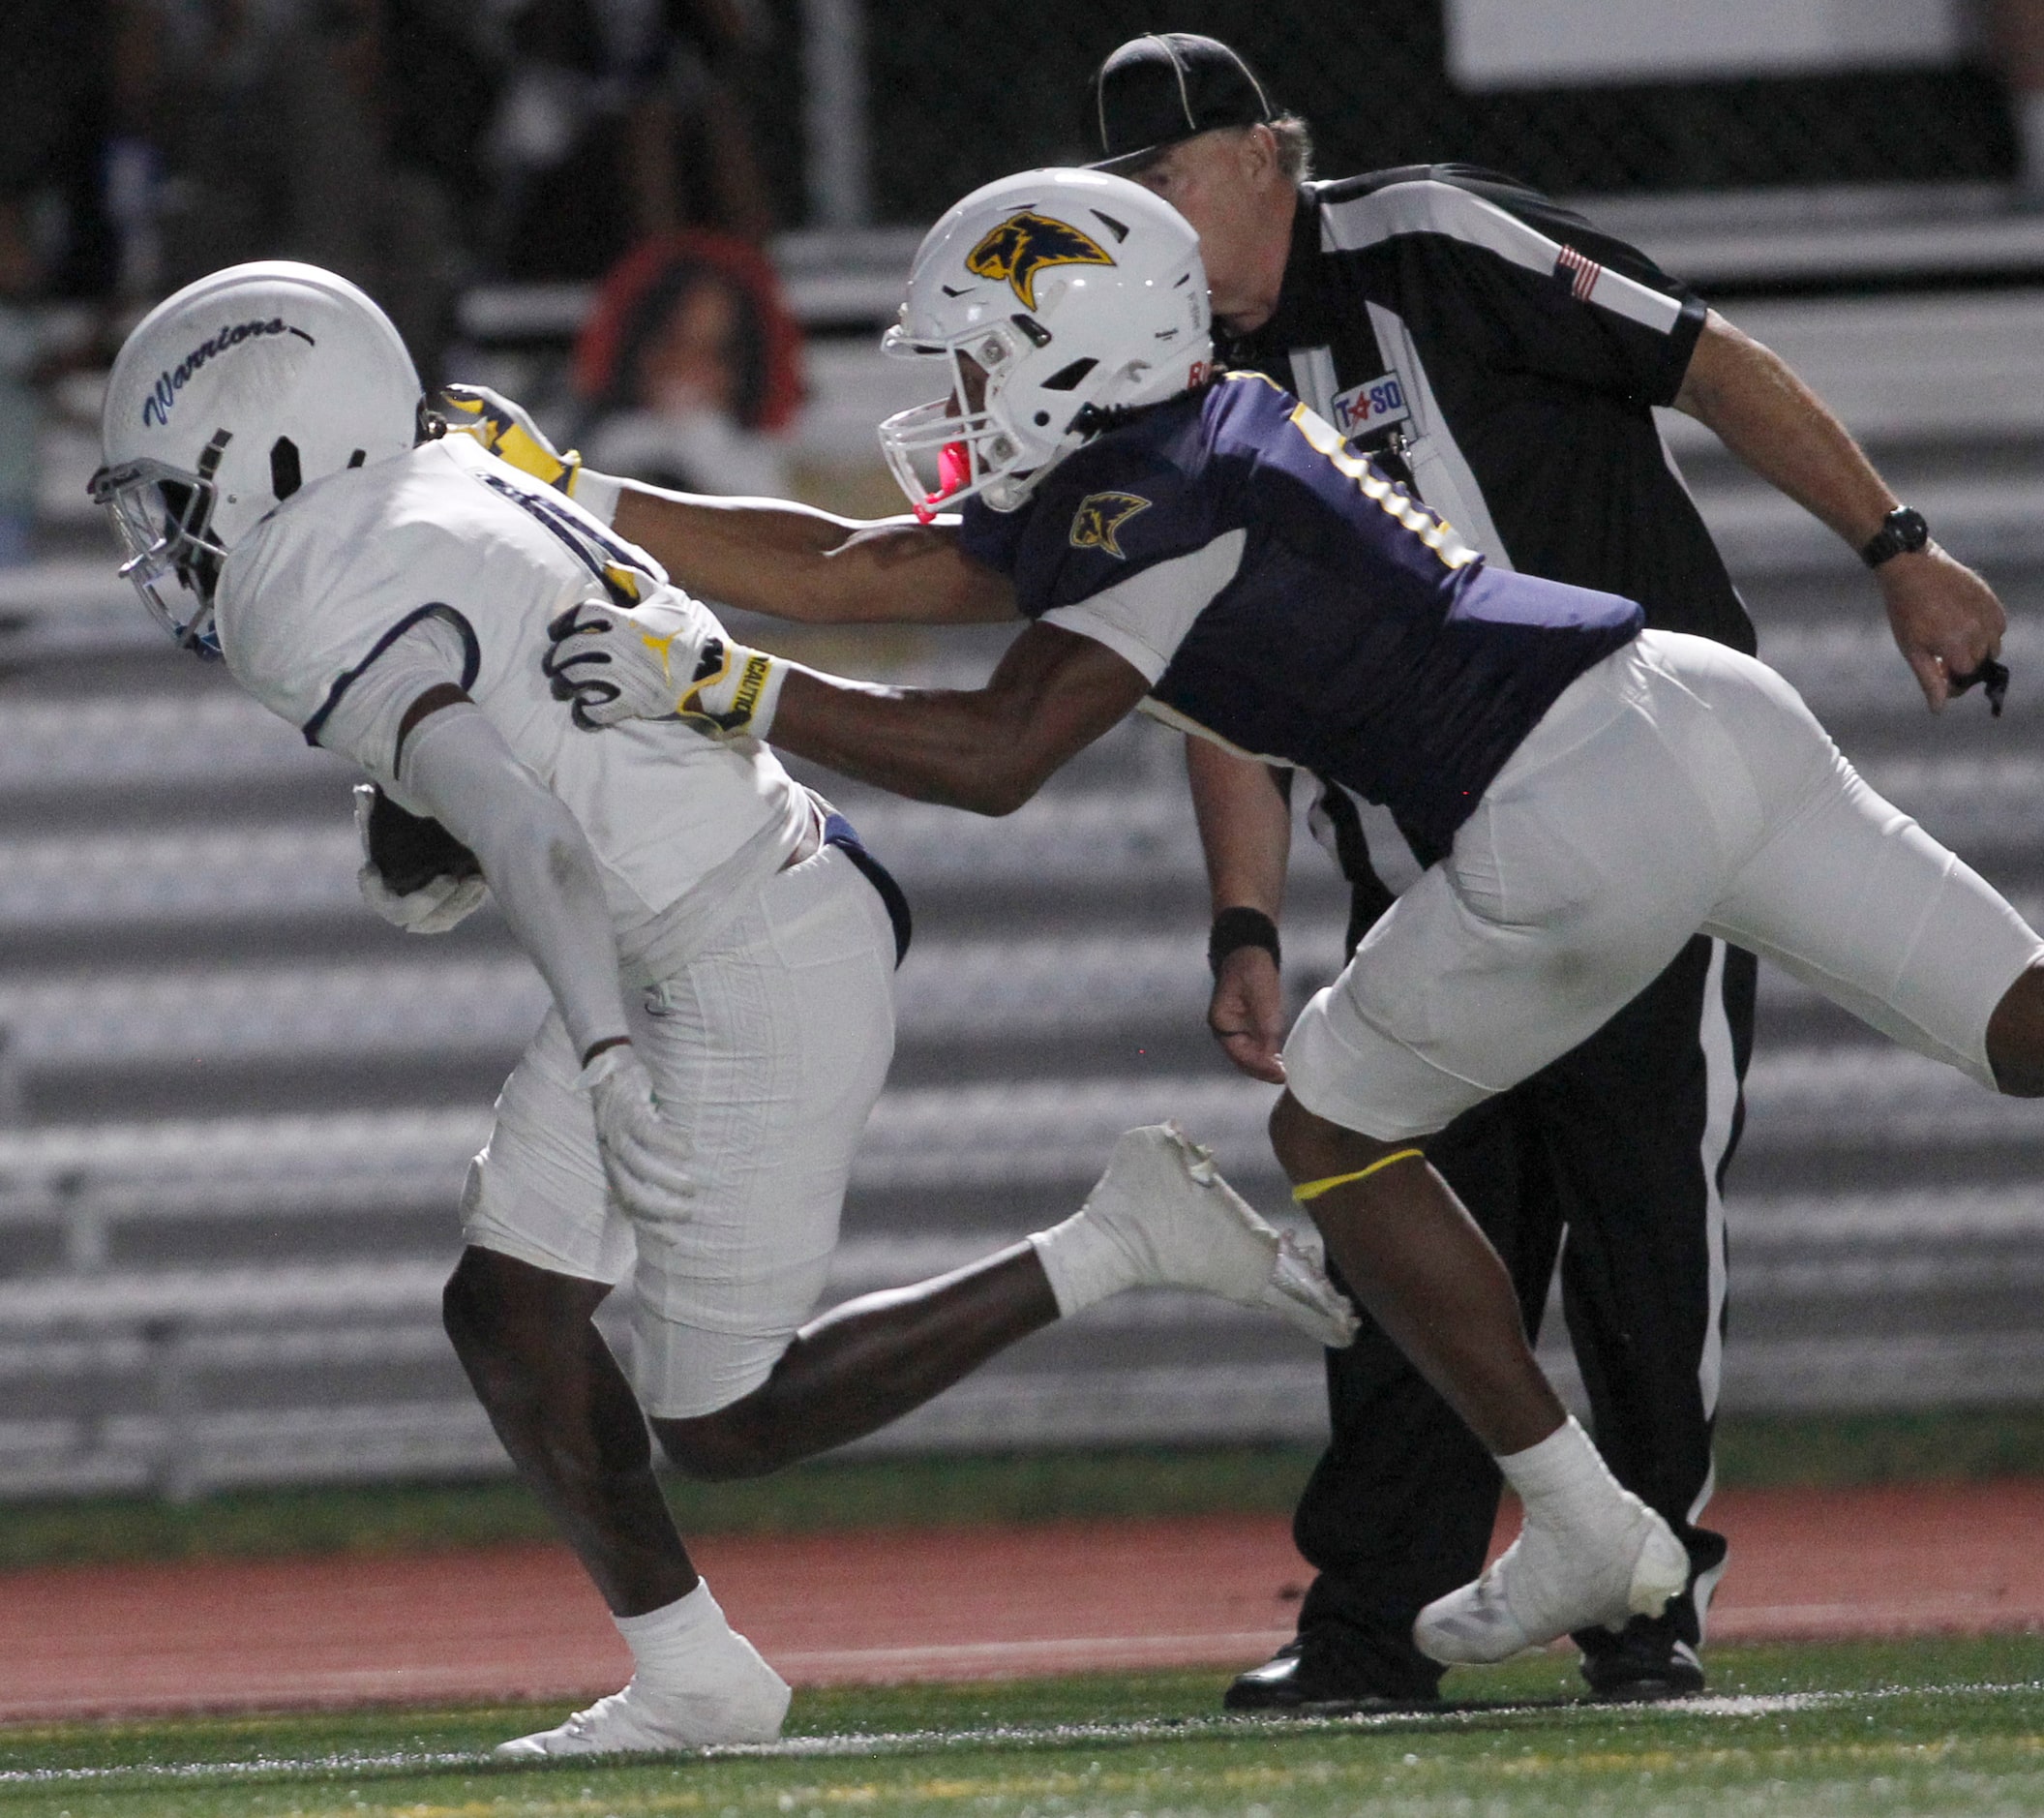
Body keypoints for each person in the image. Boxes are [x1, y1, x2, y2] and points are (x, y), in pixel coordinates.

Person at [538, 165, 2044, 1676]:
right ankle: (1580, 1521)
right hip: (1707, 711)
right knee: (2018, 1024)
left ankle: (1580, 1516)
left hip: (1567, 810)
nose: (967, 392)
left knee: (1329, 1132)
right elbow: (841, 567)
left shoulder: (1154, 495)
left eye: (985, 353)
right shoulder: (1171, 452)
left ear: (1083, 343)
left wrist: (728, 689)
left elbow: (997, 757)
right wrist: (572, 489)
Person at [87, 258, 1358, 1758]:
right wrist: (429, 831)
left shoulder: (305, 576)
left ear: (271, 447)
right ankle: (694, 1673)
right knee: (508, 1310)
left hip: (743, 938)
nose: (163, 541)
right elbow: (520, 751)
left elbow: (531, 830)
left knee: (723, 1420)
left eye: (177, 493)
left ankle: (1119, 1236)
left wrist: (608, 1047)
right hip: (688, 911)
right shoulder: (437, 487)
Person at [1079, 31, 2007, 1709]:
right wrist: (1243, 914)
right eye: (1117, 194)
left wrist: (1898, 541)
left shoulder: (1429, 240)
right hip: (1430, 865)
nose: (1142, 219)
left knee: (1643, 1211)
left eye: (1162, 179)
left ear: (1262, 156)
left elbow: (1699, 353)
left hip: (1651, 806)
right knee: (1402, 1227)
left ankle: (1645, 1595)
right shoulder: (1159, 378)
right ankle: (1375, 1614)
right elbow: (1220, 676)